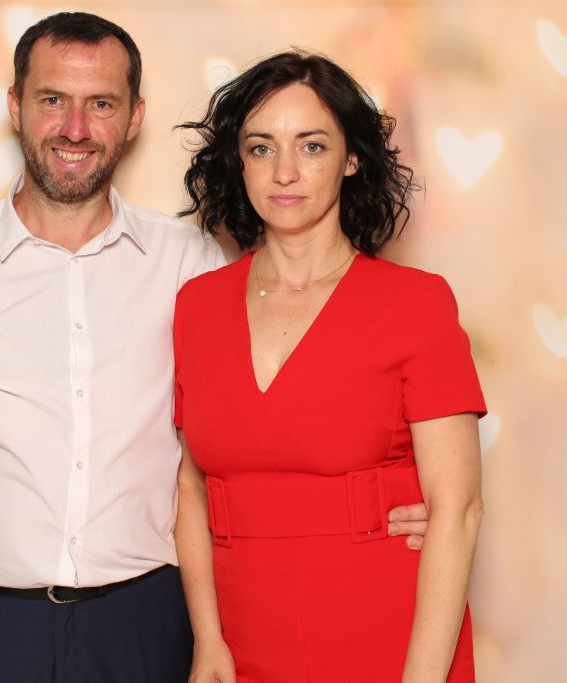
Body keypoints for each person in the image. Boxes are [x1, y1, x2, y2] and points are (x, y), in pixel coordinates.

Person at [0, 13, 431, 683]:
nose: (74, 128)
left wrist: (397, 494)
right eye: (52, 99)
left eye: (101, 104)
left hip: (147, 624)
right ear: (14, 106)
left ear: (134, 117)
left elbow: (267, 428)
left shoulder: (194, 266)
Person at [173, 51, 486, 682]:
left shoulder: (415, 304)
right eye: (261, 148)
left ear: (351, 159)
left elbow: (457, 509)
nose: (284, 172)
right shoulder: (197, 306)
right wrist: (208, 640)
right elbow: (191, 489)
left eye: (311, 146)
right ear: (239, 161)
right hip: (242, 646)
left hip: (389, 639)